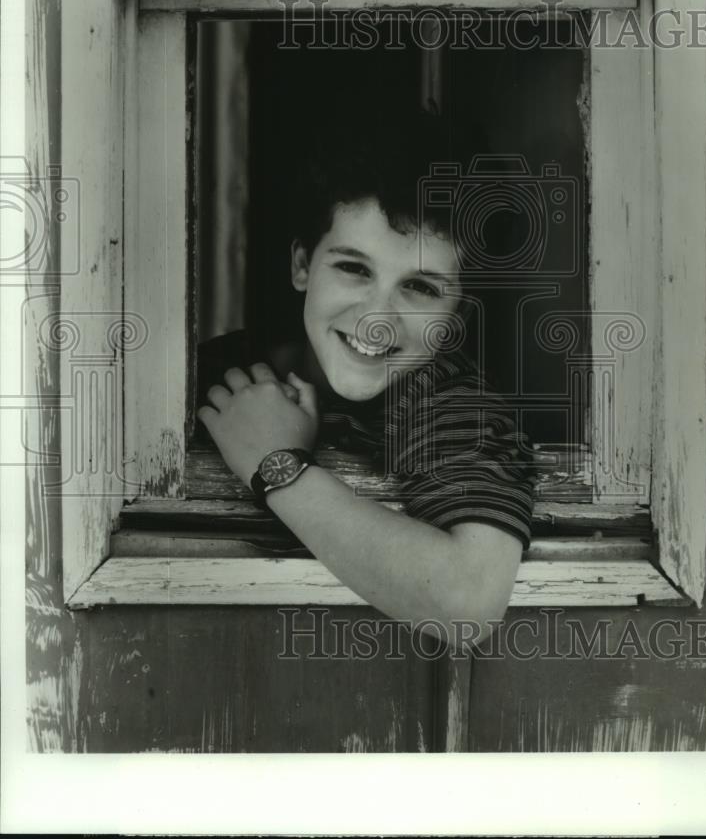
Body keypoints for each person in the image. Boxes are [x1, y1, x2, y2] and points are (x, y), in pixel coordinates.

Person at [197, 111, 536, 644]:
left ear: (459, 317)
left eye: (420, 288)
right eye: (354, 269)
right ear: (302, 265)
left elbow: (468, 601)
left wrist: (277, 466)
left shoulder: (452, 402)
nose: (377, 321)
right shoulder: (213, 373)